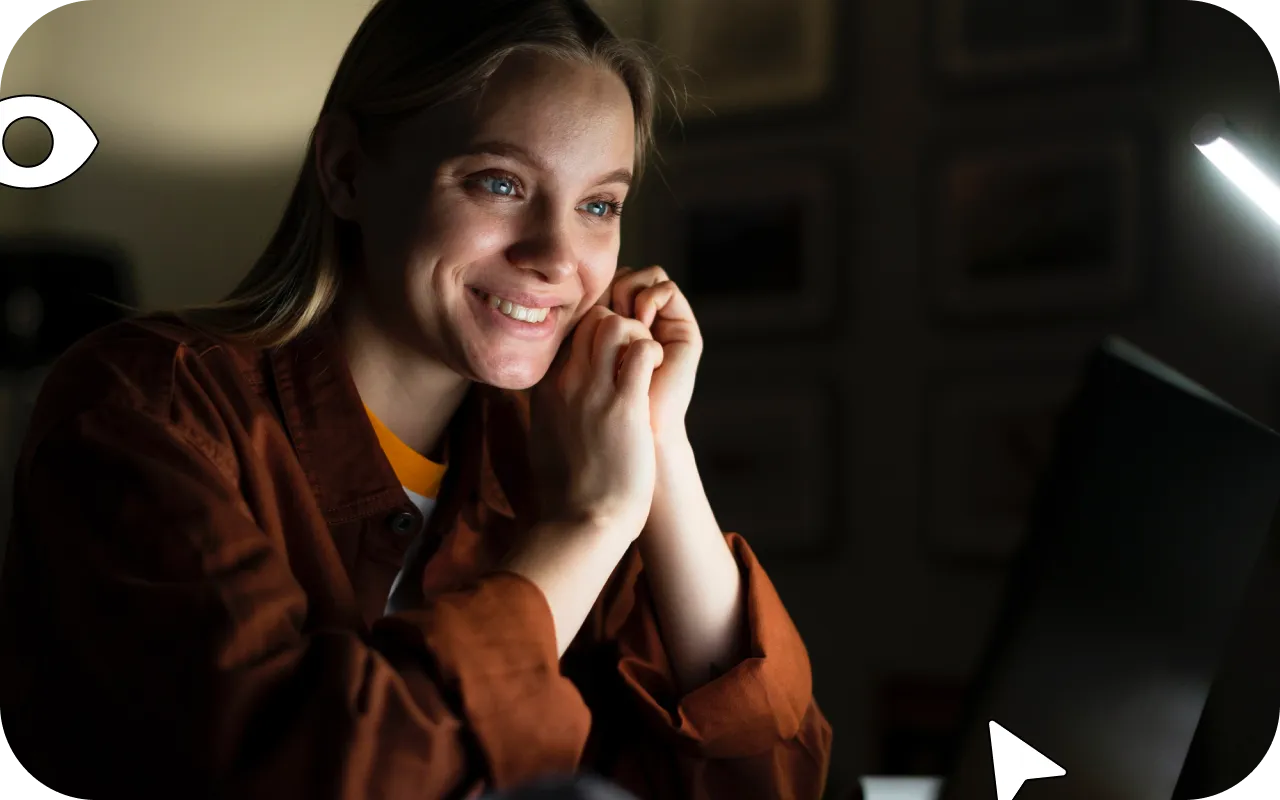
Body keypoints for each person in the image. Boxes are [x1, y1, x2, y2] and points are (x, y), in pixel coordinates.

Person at [0, 1, 833, 798]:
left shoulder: (557, 450)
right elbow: (316, 776)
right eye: (500, 183)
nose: (556, 256)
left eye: (598, 205)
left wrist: (662, 451)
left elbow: (772, 782)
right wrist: (585, 530)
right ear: (346, 170)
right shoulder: (145, 408)